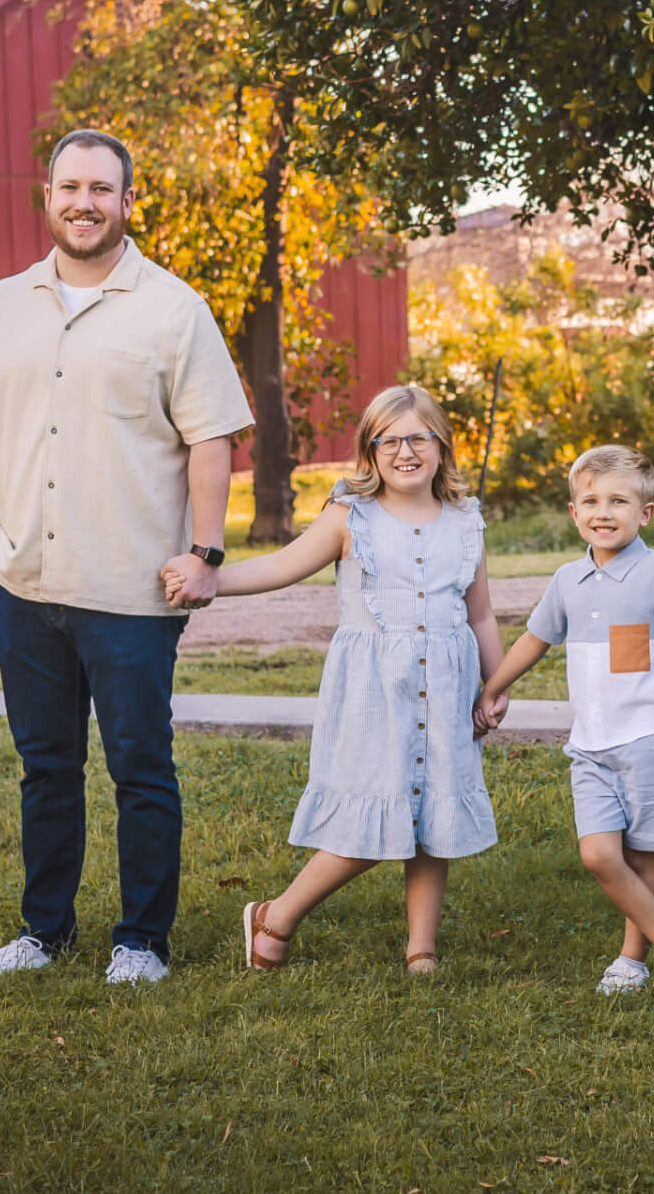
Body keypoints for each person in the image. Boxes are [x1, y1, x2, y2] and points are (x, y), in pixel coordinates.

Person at [0, 129, 253, 987]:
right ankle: (44, 931)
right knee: (46, 767)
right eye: (70, 186)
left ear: (127, 201)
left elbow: (213, 438)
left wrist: (206, 549)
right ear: (49, 196)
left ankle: (141, 942)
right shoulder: (1, 306)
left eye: (102, 189)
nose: (85, 202)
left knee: (140, 767)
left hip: (132, 587)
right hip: (23, 581)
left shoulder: (174, 309)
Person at [178, 384, 501, 977]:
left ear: (441, 444)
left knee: (434, 821)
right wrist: (212, 579)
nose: (405, 451)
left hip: (447, 690)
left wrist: (495, 683)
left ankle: (421, 948)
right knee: (371, 818)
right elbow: (281, 565)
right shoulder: (351, 516)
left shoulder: (466, 522)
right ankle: (275, 916)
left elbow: (478, 613)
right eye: (389, 440)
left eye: (418, 438)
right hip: (375, 692)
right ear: (370, 451)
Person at [474, 444, 654, 997]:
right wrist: (494, 687)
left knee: (640, 855)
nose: (603, 512)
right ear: (572, 512)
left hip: (645, 743)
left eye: (618, 500)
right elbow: (534, 640)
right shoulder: (567, 580)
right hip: (588, 746)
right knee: (598, 854)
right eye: (590, 501)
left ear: (646, 513)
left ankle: (633, 962)